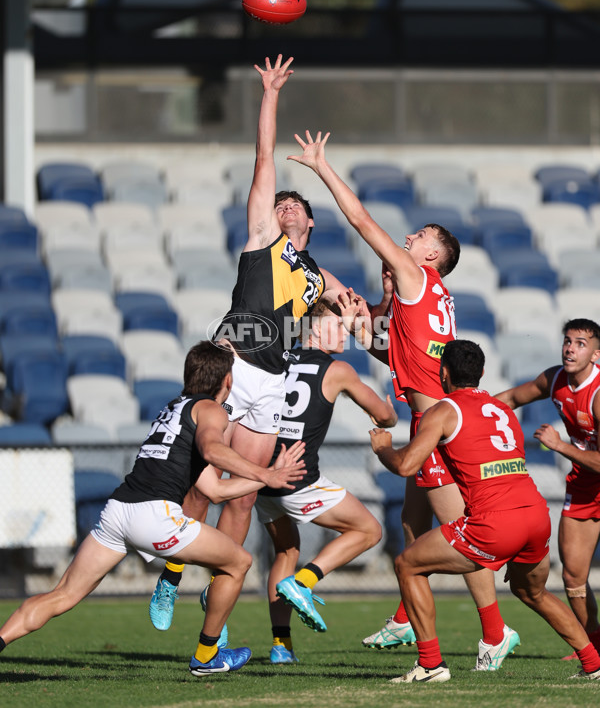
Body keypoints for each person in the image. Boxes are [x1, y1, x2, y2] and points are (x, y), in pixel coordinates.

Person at [287, 129, 519, 669]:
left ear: (433, 253)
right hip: (434, 420)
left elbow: (363, 222)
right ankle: (400, 621)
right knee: (412, 529)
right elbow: (399, 355)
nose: (407, 240)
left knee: (465, 538)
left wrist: (322, 169)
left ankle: (494, 632)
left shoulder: (417, 275)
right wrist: (358, 323)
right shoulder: (426, 299)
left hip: (436, 428)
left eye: (417, 236)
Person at [149, 56, 348, 631]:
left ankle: (221, 590)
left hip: (273, 380)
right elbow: (264, 157)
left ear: (310, 221)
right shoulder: (264, 239)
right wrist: (270, 94)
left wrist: (362, 313)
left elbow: (359, 309)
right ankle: (170, 573)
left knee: (242, 495)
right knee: (201, 478)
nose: (284, 205)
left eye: (295, 205)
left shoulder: (317, 274)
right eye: (280, 203)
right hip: (233, 362)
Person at [0, 341, 307, 678]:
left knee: (62, 595)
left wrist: (267, 479)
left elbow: (215, 491)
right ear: (228, 382)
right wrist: (265, 472)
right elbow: (213, 448)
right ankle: (206, 656)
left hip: (118, 512)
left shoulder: (174, 407)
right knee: (239, 562)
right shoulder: (212, 410)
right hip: (154, 516)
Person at [369, 338, 600, 683]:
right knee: (532, 592)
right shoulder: (501, 409)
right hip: (536, 515)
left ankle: (430, 665)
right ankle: (594, 664)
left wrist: (384, 448)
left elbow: (405, 466)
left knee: (407, 564)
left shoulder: (444, 411)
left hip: (495, 522)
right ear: (481, 373)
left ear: (443, 372)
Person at [254, 300, 397, 663]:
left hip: (264, 476)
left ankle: (281, 647)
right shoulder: (338, 370)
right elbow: (386, 418)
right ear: (315, 330)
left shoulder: (278, 358)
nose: (345, 332)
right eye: (337, 326)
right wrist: (389, 406)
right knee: (369, 531)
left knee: (286, 551)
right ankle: (304, 582)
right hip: (298, 478)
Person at [495, 318, 600, 659]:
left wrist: (560, 446)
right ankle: (594, 644)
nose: (570, 348)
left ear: (596, 355)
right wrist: (469, 411)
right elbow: (511, 396)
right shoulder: (555, 378)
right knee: (573, 576)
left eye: (581, 343)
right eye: (568, 341)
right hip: (586, 484)